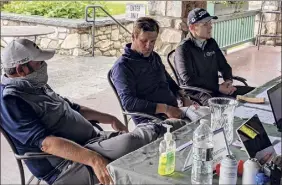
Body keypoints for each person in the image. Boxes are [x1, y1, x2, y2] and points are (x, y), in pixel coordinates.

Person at [0, 39, 186, 185]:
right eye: (39, 63)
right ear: (21, 69)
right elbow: (47, 144)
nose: (44, 66)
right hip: (67, 165)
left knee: (141, 148)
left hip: (92, 142)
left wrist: (110, 118)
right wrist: (94, 160)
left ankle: (174, 129)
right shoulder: (11, 100)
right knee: (136, 142)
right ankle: (174, 126)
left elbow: (73, 108)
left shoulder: (33, 83)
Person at [111, 17, 209, 125]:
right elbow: (128, 103)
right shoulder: (123, 66)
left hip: (175, 110)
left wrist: (183, 96)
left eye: (153, 41)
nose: (149, 46)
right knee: (201, 129)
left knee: (210, 116)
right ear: (133, 37)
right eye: (143, 41)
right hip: (152, 120)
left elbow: (168, 81)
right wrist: (165, 109)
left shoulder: (153, 56)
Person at [174, 8, 255, 106]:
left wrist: (228, 81)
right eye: (205, 24)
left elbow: (224, 66)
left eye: (210, 23)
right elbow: (188, 79)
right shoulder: (183, 49)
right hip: (197, 94)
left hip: (215, 90)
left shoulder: (211, 43)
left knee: (253, 93)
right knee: (229, 107)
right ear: (192, 28)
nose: (210, 27)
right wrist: (218, 87)